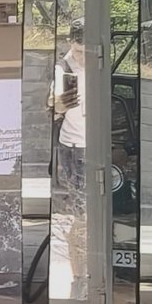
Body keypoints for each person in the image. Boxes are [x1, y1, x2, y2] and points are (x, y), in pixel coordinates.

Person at [50, 19, 86, 192]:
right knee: (77, 199)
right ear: (70, 42)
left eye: (89, 53)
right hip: (73, 146)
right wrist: (60, 104)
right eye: (79, 52)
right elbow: (55, 105)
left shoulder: (97, 63)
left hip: (95, 144)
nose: (84, 59)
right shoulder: (63, 69)